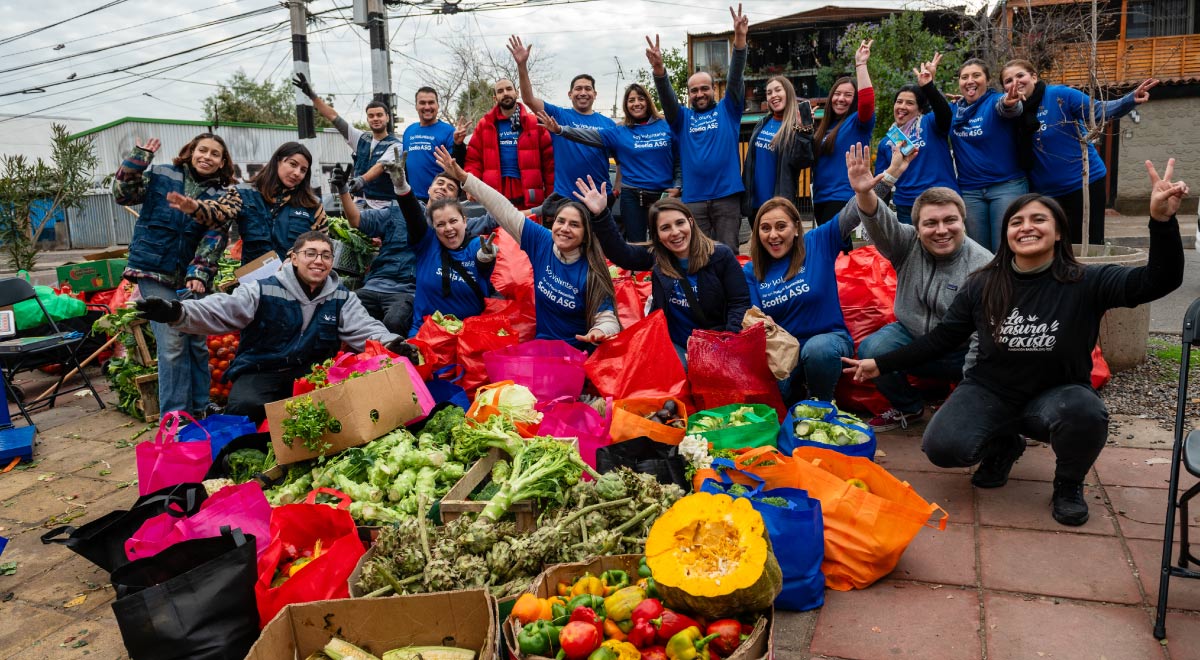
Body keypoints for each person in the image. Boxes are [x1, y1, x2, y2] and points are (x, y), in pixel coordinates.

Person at [842, 159, 1186, 526]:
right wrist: (881, 364)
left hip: (1057, 392)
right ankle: (1003, 444)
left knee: (1085, 414)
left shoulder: (1086, 281)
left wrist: (1162, 223)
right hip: (992, 390)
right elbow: (943, 338)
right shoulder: (984, 283)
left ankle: (1069, 484)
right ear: (1007, 234)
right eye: (1017, 222)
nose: (1027, 227)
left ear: (1057, 232)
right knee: (942, 447)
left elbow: (1159, 281)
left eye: (1039, 219)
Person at [134, 231, 415, 423]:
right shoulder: (262, 289)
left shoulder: (342, 297)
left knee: (336, 411)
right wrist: (176, 311)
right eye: (311, 253)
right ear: (293, 258)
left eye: (326, 255)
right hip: (261, 369)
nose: (319, 260)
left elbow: (365, 329)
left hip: (313, 374)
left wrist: (393, 343)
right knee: (244, 408)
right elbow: (221, 308)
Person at [847, 143, 993, 431]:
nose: (941, 230)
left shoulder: (983, 265)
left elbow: (984, 340)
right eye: (931, 223)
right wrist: (864, 192)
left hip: (960, 351)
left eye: (950, 220)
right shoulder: (906, 243)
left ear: (963, 221)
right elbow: (879, 222)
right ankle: (909, 407)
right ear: (916, 228)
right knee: (873, 348)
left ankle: (961, 402)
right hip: (911, 339)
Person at [437, 146, 618, 348]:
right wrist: (464, 177)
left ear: (585, 235)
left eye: (574, 225)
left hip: (576, 356)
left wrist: (599, 331)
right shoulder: (543, 241)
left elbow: (608, 319)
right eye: (561, 221)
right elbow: (503, 209)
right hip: (541, 348)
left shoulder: (592, 271)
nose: (564, 229)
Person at [113, 133, 236, 417]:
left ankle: (201, 407)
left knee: (196, 343)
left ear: (222, 162)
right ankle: (176, 417)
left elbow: (215, 236)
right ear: (191, 152)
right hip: (153, 268)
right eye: (202, 150)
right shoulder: (161, 174)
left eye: (215, 154)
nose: (207, 157)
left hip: (191, 274)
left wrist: (200, 271)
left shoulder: (221, 196)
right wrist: (138, 159)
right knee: (172, 344)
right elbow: (123, 194)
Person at [574, 177, 750, 367]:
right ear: (657, 234)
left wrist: (728, 342)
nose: (675, 232)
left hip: (718, 344)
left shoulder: (720, 256)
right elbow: (621, 253)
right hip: (677, 346)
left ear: (691, 222)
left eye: (679, 223)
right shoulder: (656, 257)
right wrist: (601, 214)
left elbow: (739, 302)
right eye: (665, 228)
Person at [1002, 59, 1158, 245]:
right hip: (1044, 192)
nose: (1015, 82)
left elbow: (1097, 110)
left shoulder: (1060, 96)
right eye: (1008, 80)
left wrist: (1130, 99)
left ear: (1034, 77)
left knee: (1087, 243)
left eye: (1020, 75)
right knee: (1052, 246)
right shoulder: (1007, 110)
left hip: (1084, 182)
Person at [645, 4, 749, 250]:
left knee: (728, 252)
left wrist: (740, 39)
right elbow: (667, 98)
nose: (700, 93)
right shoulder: (681, 119)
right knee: (698, 254)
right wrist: (659, 70)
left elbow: (735, 78)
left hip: (727, 196)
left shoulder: (728, 110)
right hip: (693, 200)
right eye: (694, 90)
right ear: (688, 94)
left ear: (714, 90)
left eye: (705, 88)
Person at [744, 195, 858, 403]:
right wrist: (758, 323)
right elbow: (753, 315)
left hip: (828, 342)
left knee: (818, 350)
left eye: (781, 226)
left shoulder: (817, 243)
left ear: (796, 228)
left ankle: (821, 406)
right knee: (774, 400)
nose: (773, 235)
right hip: (784, 351)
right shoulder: (752, 270)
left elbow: (854, 213)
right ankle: (797, 396)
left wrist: (885, 180)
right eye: (765, 228)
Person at [535, 84, 681, 242]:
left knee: (666, 240)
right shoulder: (619, 131)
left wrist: (678, 185)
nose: (636, 103)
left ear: (648, 101)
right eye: (631, 100)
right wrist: (560, 130)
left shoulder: (666, 125)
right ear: (626, 106)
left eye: (641, 98)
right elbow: (586, 135)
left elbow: (679, 160)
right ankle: (638, 269)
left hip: (662, 196)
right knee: (636, 244)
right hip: (632, 197)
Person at [168, 142, 328, 265]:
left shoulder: (312, 205)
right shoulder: (244, 194)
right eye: (293, 164)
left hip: (297, 283)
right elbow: (220, 211)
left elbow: (322, 243)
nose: (297, 173)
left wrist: (295, 259)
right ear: (278, 162)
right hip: (254, 286)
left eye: (303, 170)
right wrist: (197, 207)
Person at [509, 36, 617, 212]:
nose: (583, 92)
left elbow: (619, 160)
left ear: (595, 94)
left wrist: (616, 189)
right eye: (578, 89)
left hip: (600, 199)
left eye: (588, 89)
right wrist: (522, 66)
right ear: (570, 94)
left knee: (599, 240)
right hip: (566, 199)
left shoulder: (608, 123)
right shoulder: (559, 115)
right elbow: (528, 99)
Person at [328, 156, 418, 335]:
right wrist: (343, 189)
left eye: (449, 188)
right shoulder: (394, 212)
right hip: (373, 285)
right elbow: (356, 220)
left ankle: (389, 362)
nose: (442, 189)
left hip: (404, 291)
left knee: (394, 322)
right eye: (439, 184)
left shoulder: (444, 226)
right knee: (338, 316)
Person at [951, 58, 1027, 252]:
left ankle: (1008, 284)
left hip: (1006, 187)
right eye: (964, 77)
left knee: (1006, 248)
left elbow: (1008, 107)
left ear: (987, 80)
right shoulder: (955, 110)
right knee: (978, 252)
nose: (970, 81)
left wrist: (1011, 103)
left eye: (976, 75)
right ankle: (985, 285)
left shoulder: (995, 101)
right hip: (970, 191)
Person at [874, 53, 958, 226]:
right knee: (913, 252)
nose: (902, 107)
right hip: (907, 207)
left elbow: (944, 113)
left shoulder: (930, 124)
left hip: (941, 200)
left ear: (920, 110)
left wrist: (928, 86)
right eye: (899, 102)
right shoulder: (887, 143)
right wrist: (876, 221)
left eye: (909, 103)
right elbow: (883, 184)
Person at [293, 73, 400, 209]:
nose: (375, 118)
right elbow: (333, 117)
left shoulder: (395, 145)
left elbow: (381, 166)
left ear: (387, 118)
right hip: (360, 204)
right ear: (367, 119)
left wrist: (361, 180)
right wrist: (312, 96)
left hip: (385, 206)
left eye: (379, 115)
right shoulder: (361, 138)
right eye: (371, 116)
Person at [464, 78, 554, 210]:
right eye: (500, 91)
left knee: (528, 231)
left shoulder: (534, 123)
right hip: (494, 199)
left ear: (516, 93)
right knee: (496, 231)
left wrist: (552, 200)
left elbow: (549, 165)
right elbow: (473, 160)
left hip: (530, 200)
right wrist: (471, 186)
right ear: (495, 98)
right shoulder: (485, 125)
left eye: (509, 89)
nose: (505, 93)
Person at [811, 40, 875, 225]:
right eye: (837, 94)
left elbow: (867, 103)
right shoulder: (824, 128)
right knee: (830, 252)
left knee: (838, 253)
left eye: (848, 95)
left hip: (843, 197)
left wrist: (861, 65)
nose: (840, 99)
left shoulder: (858, 123)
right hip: (821, 198)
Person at [741, 75, 814, 224]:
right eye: (769, 93)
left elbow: (802, 161)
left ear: (788, 92)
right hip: (755, 205)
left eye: (777, 90)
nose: (773, 95)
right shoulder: (762, 123)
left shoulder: (796, 125)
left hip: (779, 205)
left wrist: (803, 131)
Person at [403, 87, 469, 202]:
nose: (427, 107)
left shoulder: (449, 131)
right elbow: (406, 165)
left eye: (431, 102)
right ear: (416, 106)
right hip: (413, 199)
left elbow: (457, 166)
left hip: (440, 200)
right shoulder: (409, 131)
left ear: (438, 105)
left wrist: (458, 144)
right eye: (422, 103)